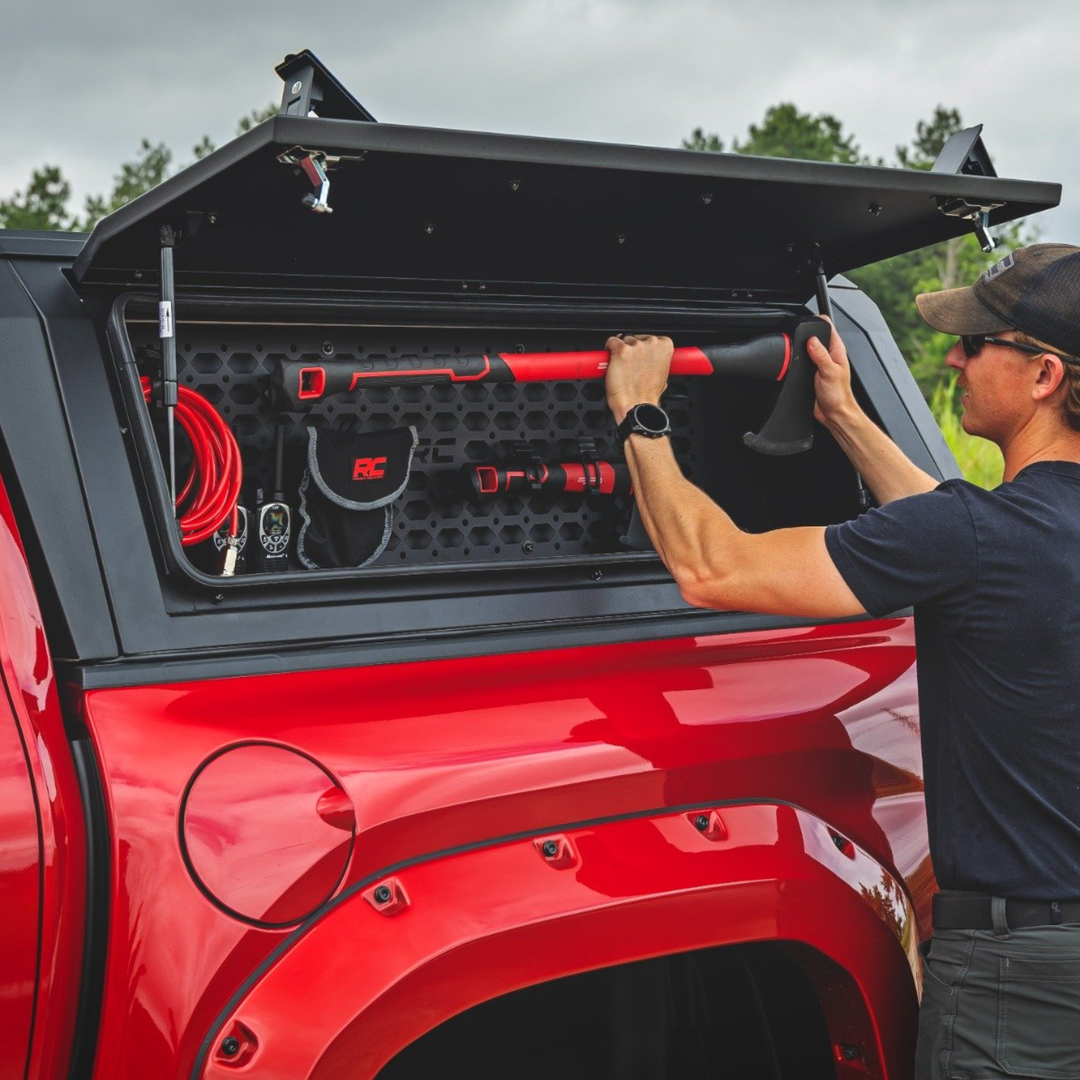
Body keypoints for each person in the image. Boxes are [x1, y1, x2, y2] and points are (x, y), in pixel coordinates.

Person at [605, 243, 1080, 1080]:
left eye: (977, 343)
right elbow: (956, 531)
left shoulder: (972, 539)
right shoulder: (1003, 535)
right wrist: (849, 419)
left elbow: (711, 567)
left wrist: (640, 412)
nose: (954, 357)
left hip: (1016, 978)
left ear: (1044, 376)